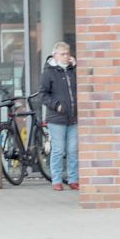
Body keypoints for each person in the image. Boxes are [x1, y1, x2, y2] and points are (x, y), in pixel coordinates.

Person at [39, 41, 78, 191]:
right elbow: (43, 94)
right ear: (55, 55)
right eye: (62, 54)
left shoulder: (72, 70)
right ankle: (56, 179)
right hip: (57, 118)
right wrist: (56, 105)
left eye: (68, 54)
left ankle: (73, 179)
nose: (66, 57)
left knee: (73, 150)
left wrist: (75, 67)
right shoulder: (49, 72)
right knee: (58, 149)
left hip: (73, 117)